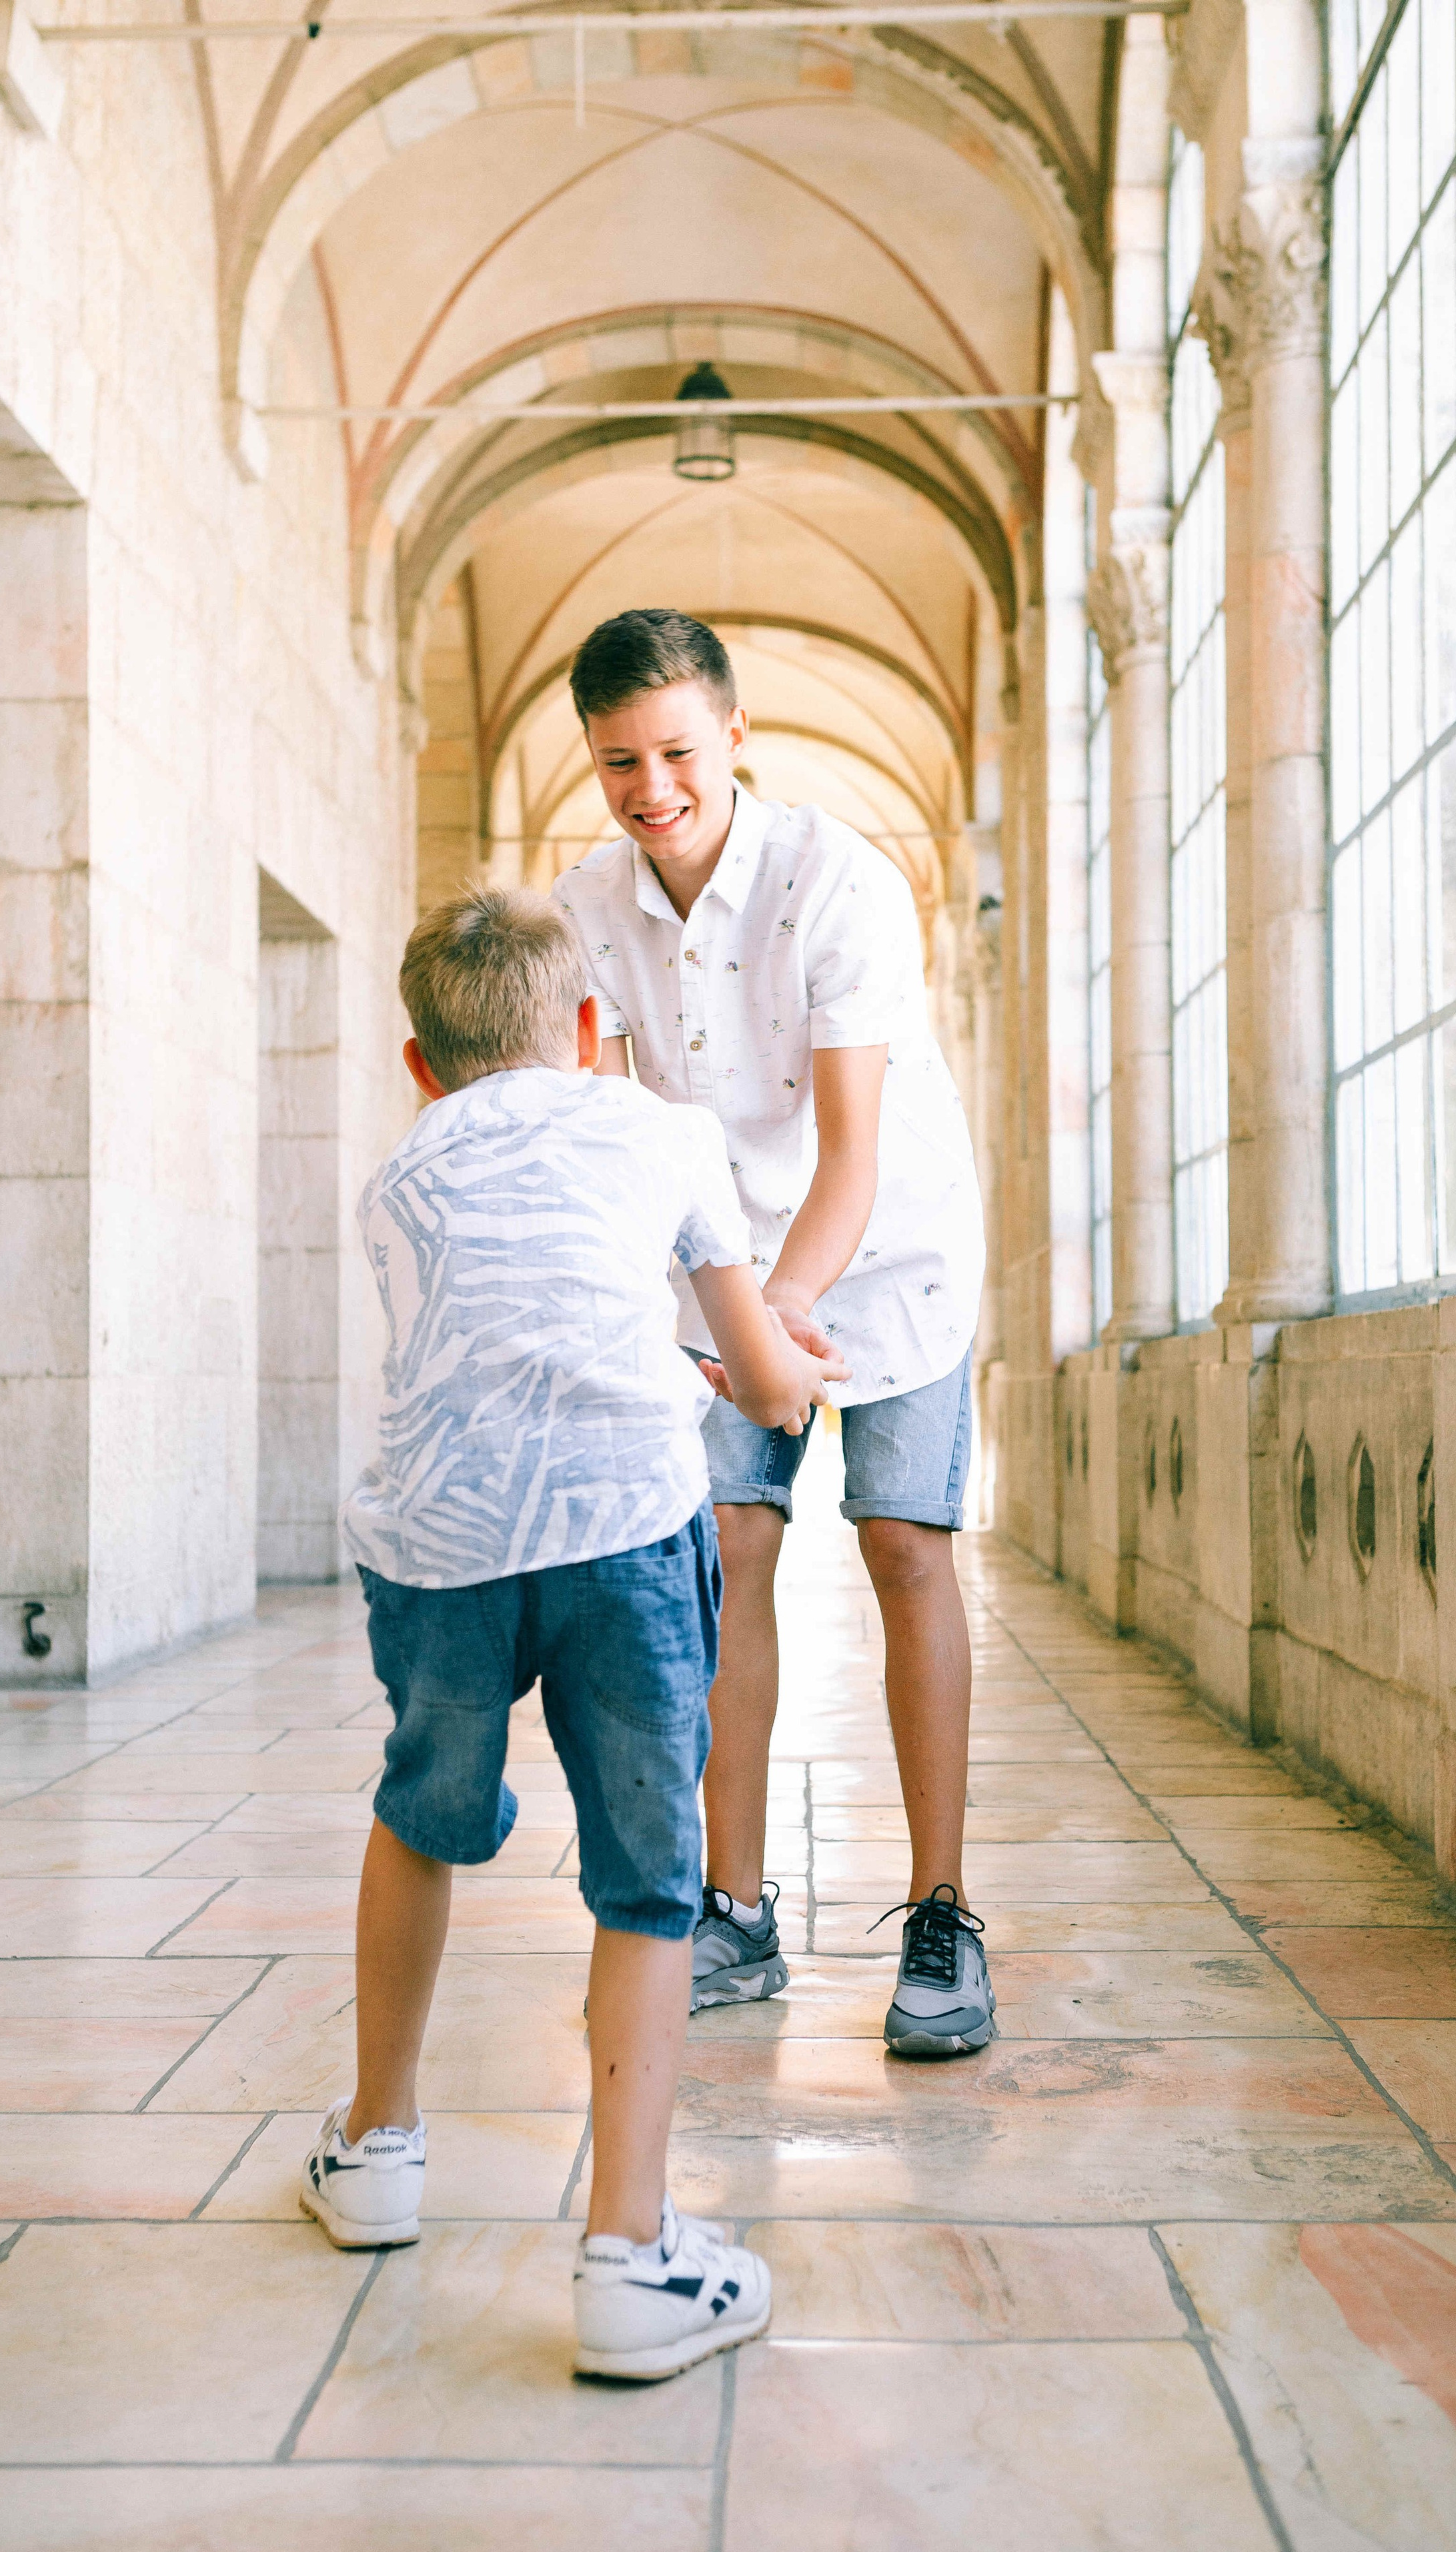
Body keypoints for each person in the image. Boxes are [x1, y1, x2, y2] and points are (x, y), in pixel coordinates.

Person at [297, 884, 843, 2382]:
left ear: (418, 1065)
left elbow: (501, 1335)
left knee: (420, 1815)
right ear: (592, 1031)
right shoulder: (660, 1132)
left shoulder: (396, 1178)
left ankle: (378, 2152)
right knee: (646, 1878)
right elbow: (763, 1380)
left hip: (444, 1545)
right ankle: (630, 2252)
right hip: (621, 1531)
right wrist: (776, 1368)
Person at [555, 608, 994, 2059]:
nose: (649, 787)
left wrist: (778, 1324)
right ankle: (727, 1906)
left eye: (674, 750)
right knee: (727, 1551)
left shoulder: (839, 881)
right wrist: (684, 1324)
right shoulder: (588, 907)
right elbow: (619, 1136)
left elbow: (852, 1158)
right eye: (618, 760)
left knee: (900, 1546)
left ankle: (938, 1912)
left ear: (733, 738)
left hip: (885, 1255)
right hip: (718, 1266)